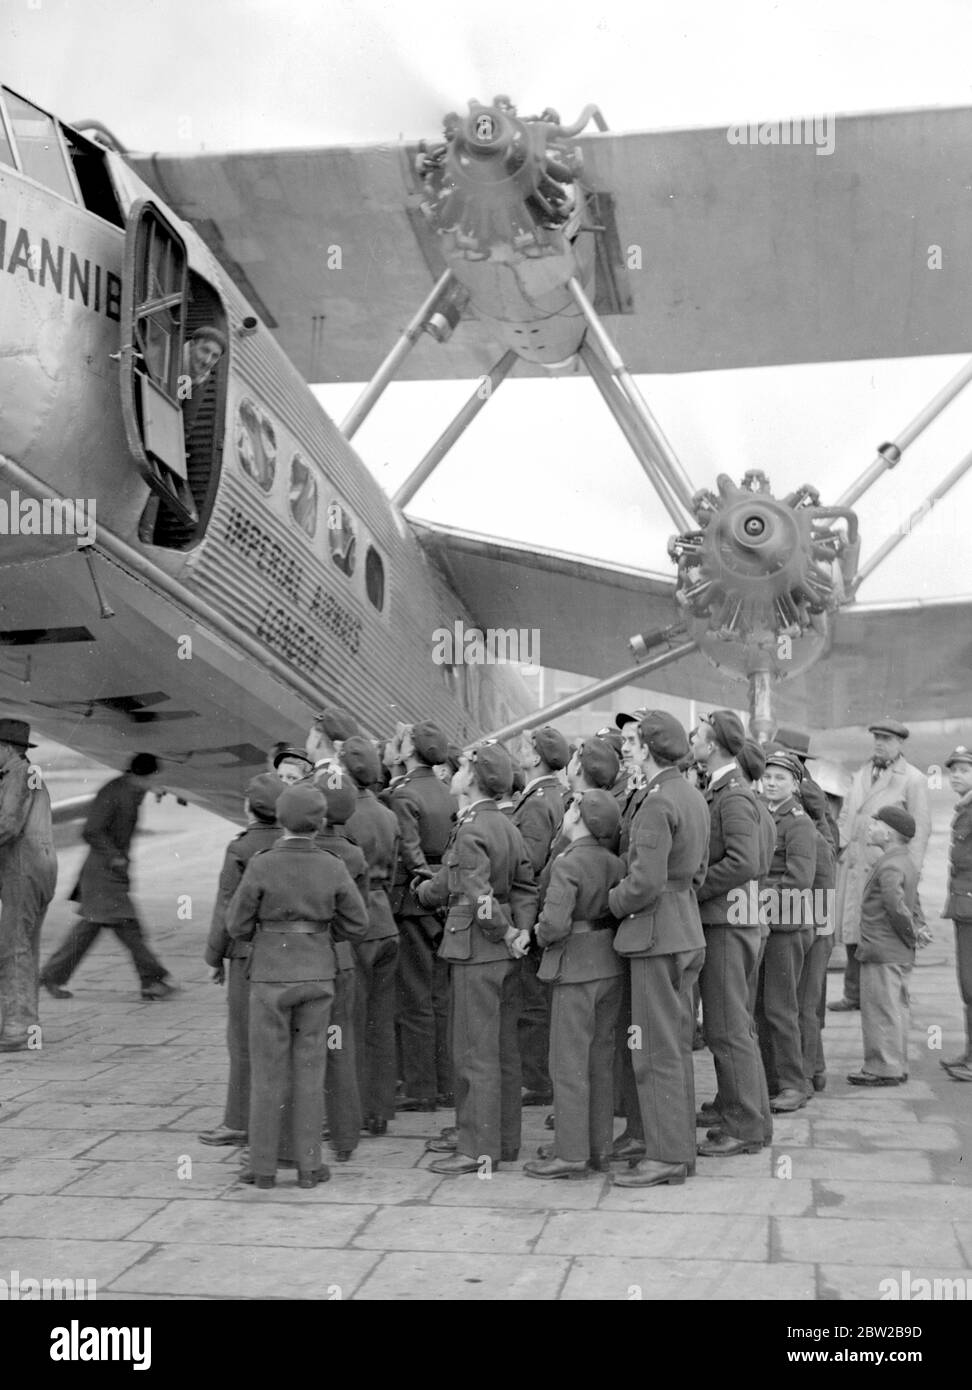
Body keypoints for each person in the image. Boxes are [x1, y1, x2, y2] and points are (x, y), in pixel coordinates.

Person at [227, 784, 369, 1188]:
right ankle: (310, 1166)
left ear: (281, 819)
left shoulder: (261, 863)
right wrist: (320, 936)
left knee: (267, 1072)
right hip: (319, 972)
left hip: (270, 973)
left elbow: (236, 924)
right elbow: (358, 923)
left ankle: (263, 1167)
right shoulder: (332, 863)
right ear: (320, 821)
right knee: (310, 1070)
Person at [419, 743, 538, 1175]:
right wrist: (520, 932)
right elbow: (526, 887)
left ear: (473, 779)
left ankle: (476, 1148)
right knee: (503, 1052)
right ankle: (503, 1142)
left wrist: (504, 930)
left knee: (473, 1053)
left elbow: (478, 896)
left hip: (476, 950)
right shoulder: (506, 825)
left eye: (463, 766)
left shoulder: (470, 829)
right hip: (504, 955)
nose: (455, 770)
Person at [608, 711, 710, 1188]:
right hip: (684, 927)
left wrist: (611, 901)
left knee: (653, 1049)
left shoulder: (656, 801)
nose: (628, 749)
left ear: (648, 749)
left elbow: (643, 882)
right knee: (674, 1045)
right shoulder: (690, 794)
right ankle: (677, 1147)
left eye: (634, 744)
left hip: (654, 933)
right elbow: (698, 871)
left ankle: (666, 1155)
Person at [522, 789, 623, 1179]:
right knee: (599, 1061)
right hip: (607, 962)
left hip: (574, 965)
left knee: (567, 1064)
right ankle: (599, 1147)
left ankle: (569, 1153)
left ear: (578, 817)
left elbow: (554, 925)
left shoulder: (567, 863)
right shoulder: (614, 862)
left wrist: (537, 936)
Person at [690, 710, 766, 1156]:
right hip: (724, 921)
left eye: (698, 736)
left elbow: (745, 862)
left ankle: (745, 1127)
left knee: (726, 1028)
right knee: (732, 1026)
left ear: (715, 743)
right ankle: (749, 1117)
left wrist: (695, 889)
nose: (693, 742)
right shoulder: (722, 788)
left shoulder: (732, 795)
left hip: (724, 923)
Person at [40, 754, 176, 1002]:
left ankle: (51, 975)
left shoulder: (130, 788)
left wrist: (152, 791)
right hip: (102, 874)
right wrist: (114, 856)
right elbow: (91, 830)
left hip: (109, 874)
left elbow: (131, 798)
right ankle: (152, 980)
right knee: (128, 926)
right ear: (147, 775)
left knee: (92, 929)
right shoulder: (113, 791)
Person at [199, 773, 284, 1146]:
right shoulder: (291, 842)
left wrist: (215, 957)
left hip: (247, 956)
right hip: (287, 954)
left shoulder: (241, 848)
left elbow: (226, 910)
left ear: (248, 808)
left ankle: (238, 1121)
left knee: (243, 1040)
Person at [832, 719, 930, 1012]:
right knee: (852, 929)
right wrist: (839, 846)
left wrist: (910, 870)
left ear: (900, 744)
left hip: (885, 866)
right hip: (854, 863)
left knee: (888, 931)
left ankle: (895, 993)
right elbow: (848, 813)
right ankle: (853, 994)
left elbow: (920, 827)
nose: (879, 743)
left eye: (887, 739)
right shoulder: (862, 773)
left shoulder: (913, 779)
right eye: (876, 737)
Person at [387, 721, 456, 1113]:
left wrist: (424, 885)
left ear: (410, 749)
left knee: (413, 998)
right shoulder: (447, 793)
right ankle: (444, 1082)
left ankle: (420, 1087)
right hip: (442, 898)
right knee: (439, 996)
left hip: (413, 902)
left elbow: (411, 855)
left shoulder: (404, 795)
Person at [341, 735, 401, 1136]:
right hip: (385, 920)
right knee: (382, 1021)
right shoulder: (387, 814)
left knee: (352, 1022)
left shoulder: (343, 817)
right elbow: (395, 872)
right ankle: (380, 1109)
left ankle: (356, 1110)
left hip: (356, 922)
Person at [754, 750, 817, 1113]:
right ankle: (773, 1080)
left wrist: (759, 896)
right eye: (768, 776)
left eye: (780, 778)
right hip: (765, 924)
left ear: (795, 783)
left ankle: (794, 1083)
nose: (772, 783)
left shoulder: (798, 823)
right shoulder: (765, 813)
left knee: (780, 1008)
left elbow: (799, 879)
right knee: (762, 1008)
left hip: (786, 926)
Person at [512, 725, 570, 1107]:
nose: (517, 749)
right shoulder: (553, 795)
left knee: (531, 1001)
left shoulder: (536, 802)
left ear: (534, 758)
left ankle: (537, 1081)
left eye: (524, 745)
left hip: (530, 910)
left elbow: (529, 865)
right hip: (544, 909)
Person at [847, 806, 918, 1086]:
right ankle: (896, 1063)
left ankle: (882, 1067)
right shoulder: (903, 860)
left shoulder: (889, 865)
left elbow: (896, 907)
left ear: (888, 833)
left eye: (875, 824)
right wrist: (915, 932)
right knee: (895, 1007)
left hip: (882, 948)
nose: (870, 827)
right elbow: (913, 902)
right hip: (895, 949)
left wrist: (910, 932)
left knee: (880, 1008)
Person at [0, 720, 56, 1052]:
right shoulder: (27, 774)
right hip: (39, 871)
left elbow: (7, 823)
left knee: (14, 948)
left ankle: (18, 1027)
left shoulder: (18, 774)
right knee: (23, 947)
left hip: (24, 871)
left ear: (6, 748)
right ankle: (22, 1022)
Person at [796, 778, 837, 1096]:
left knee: (806, 1006)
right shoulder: (820, 834)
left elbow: (817, 896)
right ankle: (816, 1069)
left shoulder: (814, 840)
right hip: (819, 929)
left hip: (816, 931)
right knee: (807, 1004)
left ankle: (809, 1073)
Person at [941, 747, 972, 1082]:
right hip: (964, 906)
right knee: (968, 985)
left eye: (965, 769)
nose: (957, 775)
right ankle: (969, 1052)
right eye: (954, 770)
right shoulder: (965, 808)